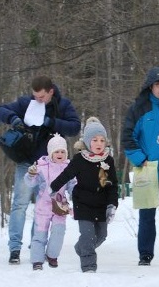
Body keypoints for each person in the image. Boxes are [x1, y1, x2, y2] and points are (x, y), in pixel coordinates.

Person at [0, 77, 81, 264]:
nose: (38, 100)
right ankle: (14, 248)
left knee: (43, 206)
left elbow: (75, 127)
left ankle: (36, 245)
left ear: (50, 92)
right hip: (26, 162)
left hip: (50, 166)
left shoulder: (63, 105)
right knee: (20, 204)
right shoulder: (27, 103)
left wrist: (50, 121)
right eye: (35, 96)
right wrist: (14, 118)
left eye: (42, 96)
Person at [122, 66, 159, 265]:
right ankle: (145, 254)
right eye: (158, 85)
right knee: (147, 213)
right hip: (148, 168)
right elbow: (128, 137)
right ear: (150, 87)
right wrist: (140, 159)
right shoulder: (139, 108)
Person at [50, 117, 118, 273]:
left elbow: (112, 185)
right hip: (83, 203)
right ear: (87, 141)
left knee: (101, 235)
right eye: (95, 140)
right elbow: (66, 174)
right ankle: (89, 267)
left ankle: (81, 248)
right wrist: (54, 186)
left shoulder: (109, 160)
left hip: (101, 204)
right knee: (88, 236)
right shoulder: (80, 159)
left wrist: (112, 204)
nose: (99, 143)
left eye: (102, 140)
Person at [25, 134, 76, 271]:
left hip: (60, 204)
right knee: (40, 233)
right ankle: (37, 260)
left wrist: (76, 194)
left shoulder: (69, 167)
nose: (60, 154)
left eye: (62, 152)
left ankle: (52, 255)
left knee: (59, 231)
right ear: (50, 153)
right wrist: (31, 174)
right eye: (57, 152)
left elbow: (72, 184)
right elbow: (30, 183)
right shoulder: (41, 166)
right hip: (43, 205)